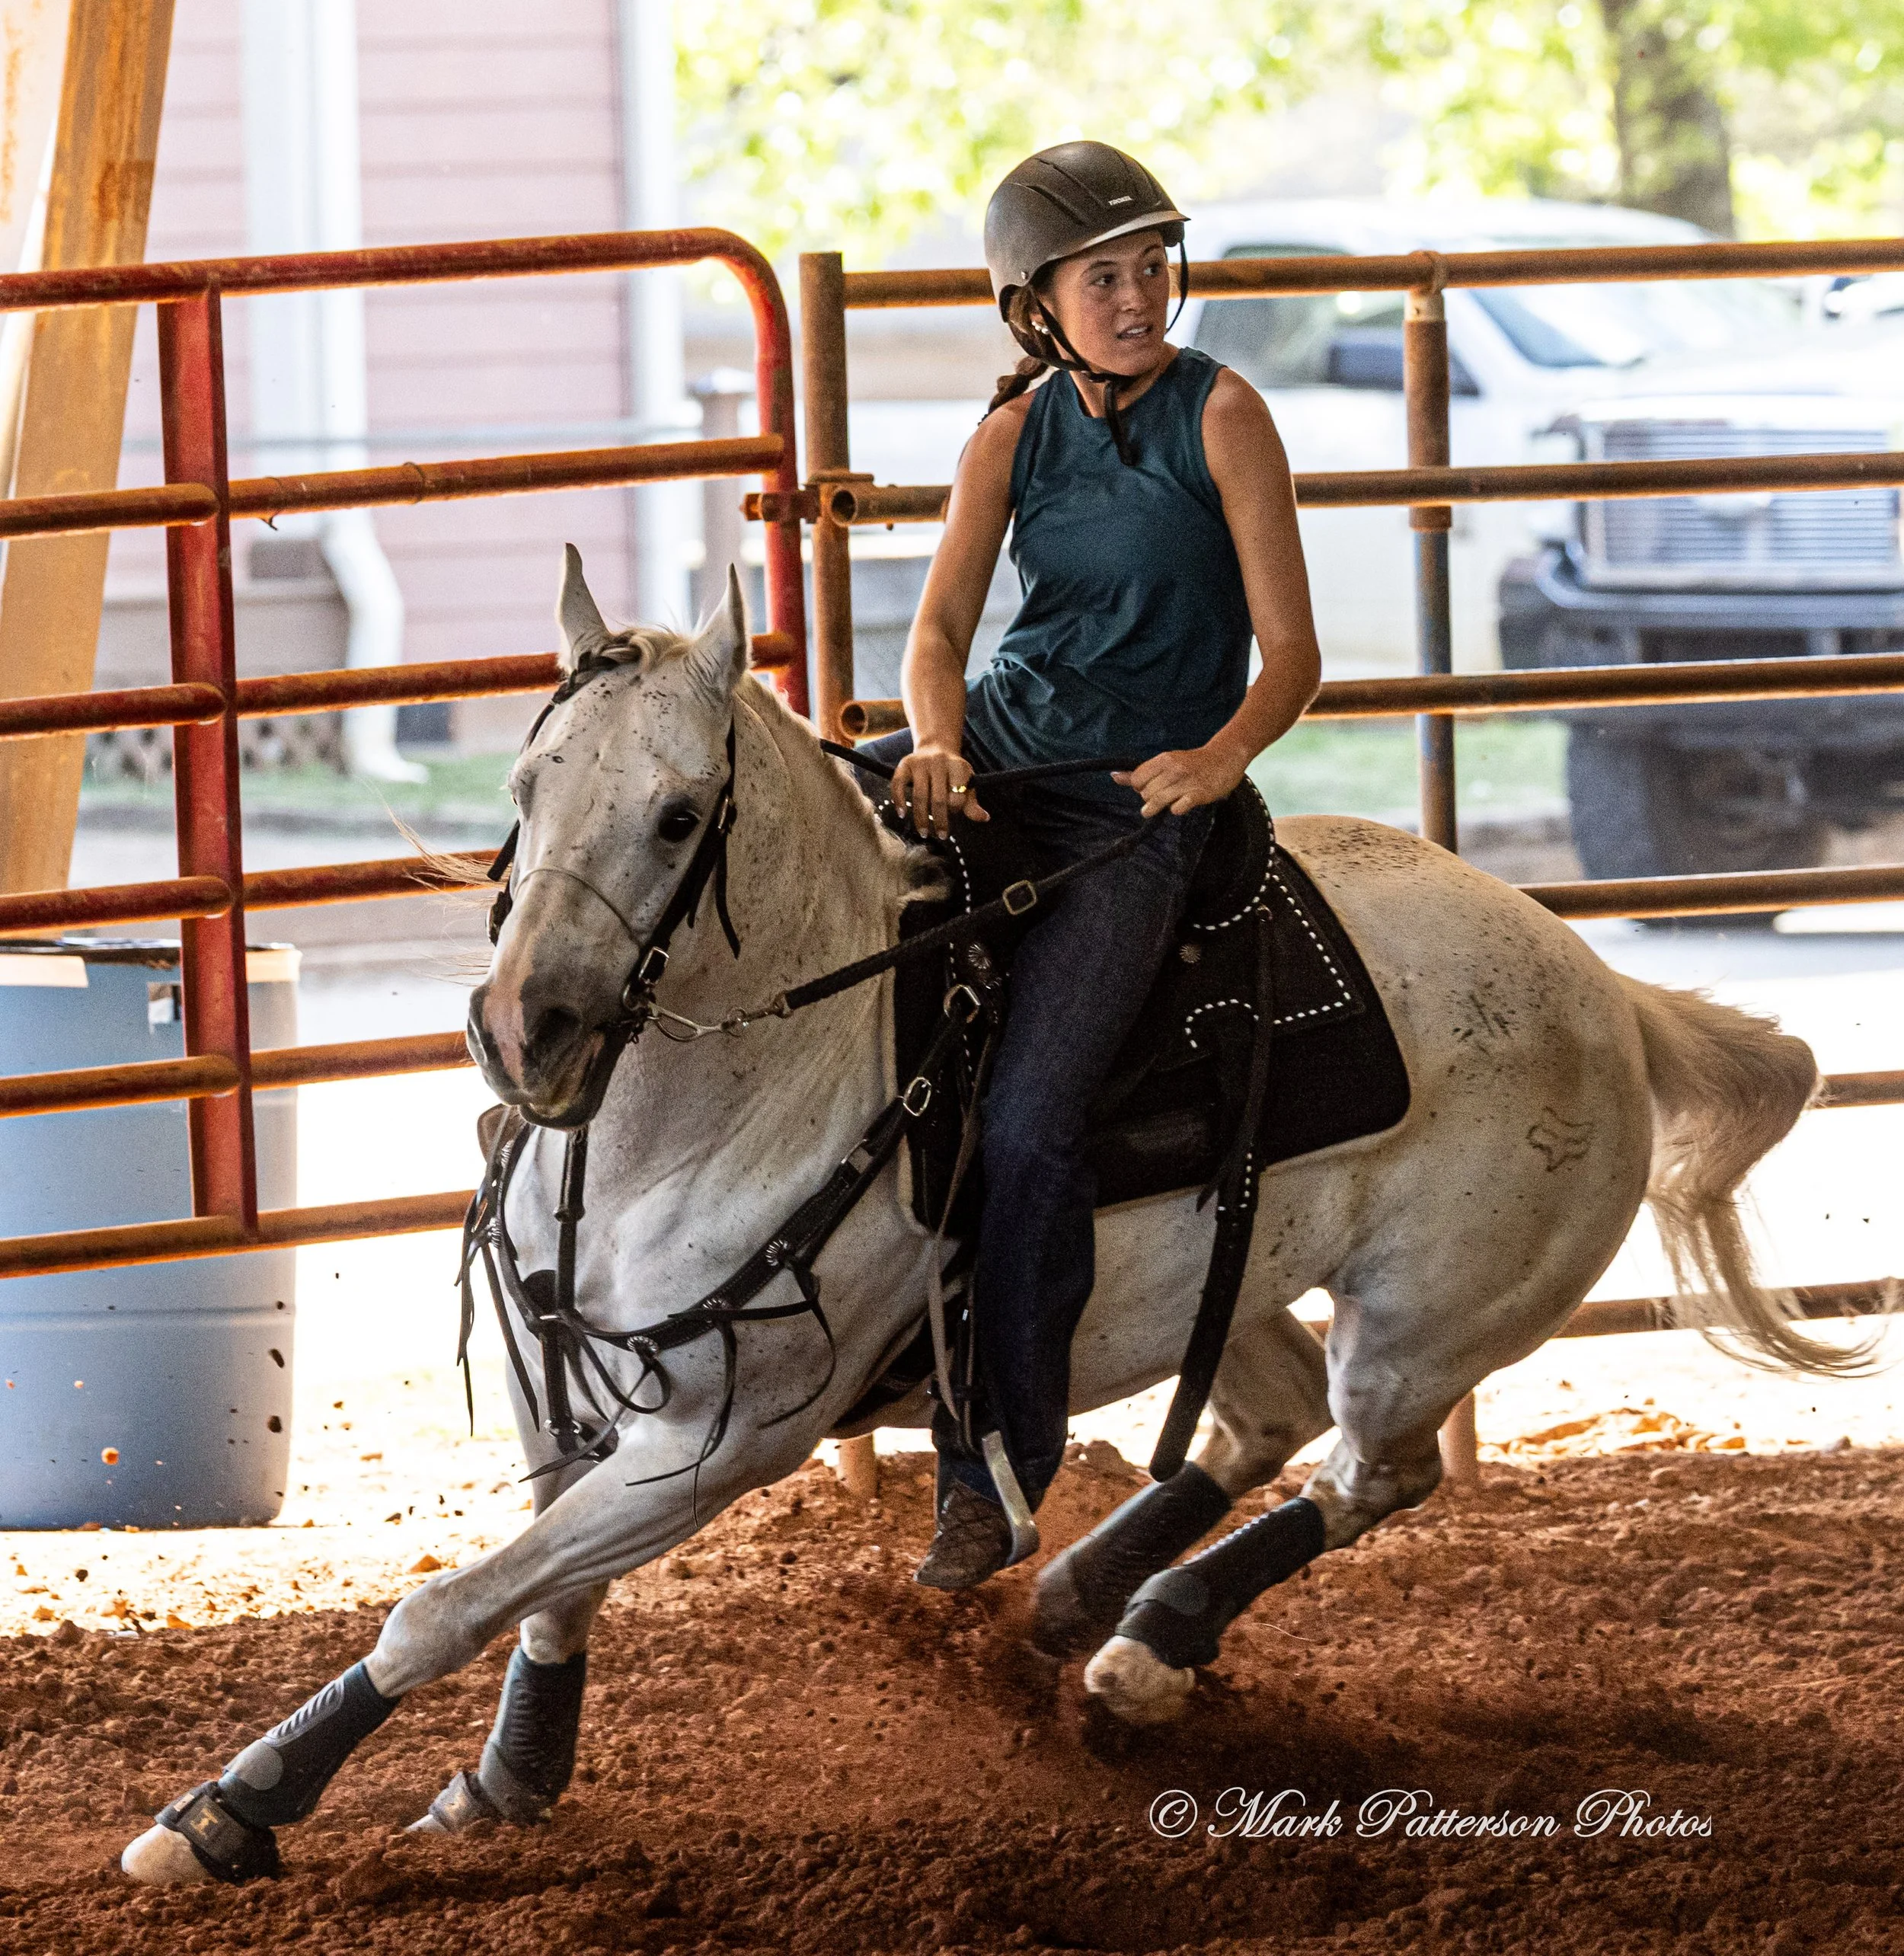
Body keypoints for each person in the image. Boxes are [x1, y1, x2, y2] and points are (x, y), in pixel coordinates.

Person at [867, 140, 1323, 1589]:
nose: (1139, 297)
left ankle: (995, 1464)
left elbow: (1295, 656)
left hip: (1134, 811)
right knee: (768, 857)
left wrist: (1217, 761)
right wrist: (931, 741)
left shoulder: (1225, 415)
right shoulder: (1009, 436)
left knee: (1033, 1124)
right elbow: (938, 635)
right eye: (1104, 276)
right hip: (996, 761)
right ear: (1036, 306)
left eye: (1152, 269)